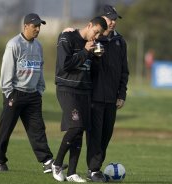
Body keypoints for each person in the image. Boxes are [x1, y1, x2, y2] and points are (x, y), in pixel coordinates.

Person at [0, 13, 57, 173]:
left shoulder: (38, 46)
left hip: (33, 95)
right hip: (15, 94)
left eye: (39, 26)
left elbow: (40, 68)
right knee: (6, 129)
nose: (37, 29)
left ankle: (47, 161)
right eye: (34, 26)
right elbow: (6, 72)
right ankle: (0, 161)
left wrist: (40, 89)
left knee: (37, 129)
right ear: (25, 26)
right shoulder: (14, 44)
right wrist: (9, 93)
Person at [52, 16, 107, 182]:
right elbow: (65, 65)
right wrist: (85, 51)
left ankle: (72, 172)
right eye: (96, 32)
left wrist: (97, 58)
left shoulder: (94, 45)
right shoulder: (67, 37)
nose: (96, 37)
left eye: (100, 35)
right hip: (67, 88)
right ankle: (57, 163)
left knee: (80, 129)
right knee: (75, 126)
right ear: (89, 25)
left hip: (84, 90)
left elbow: (93, 72)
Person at [86, 5, 129, 182]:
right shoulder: (94, 39)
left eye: (114, 19)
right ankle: (93, 169)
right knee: (94, 135)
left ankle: (95, 168)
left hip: (112, 97)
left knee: (106, 135)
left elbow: (124, 71)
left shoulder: (120, 41)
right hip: (94, 96)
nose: (112, 22)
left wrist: (122, 94)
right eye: (109, 19)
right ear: (102, 19)